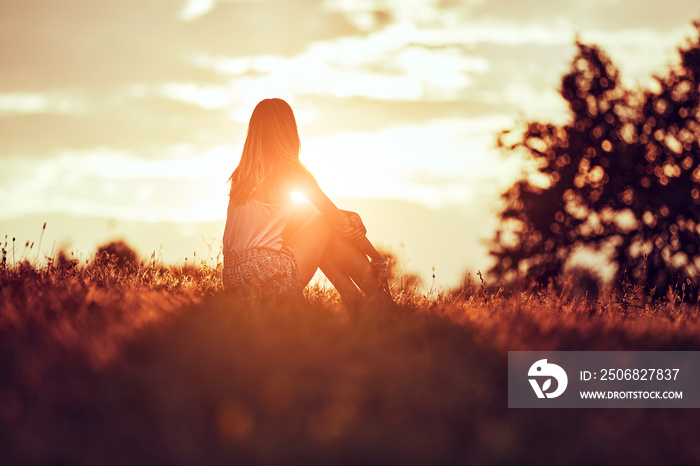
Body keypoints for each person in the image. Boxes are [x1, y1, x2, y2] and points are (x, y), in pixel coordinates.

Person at [222, 98, 390, 303]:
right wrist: (378, 258)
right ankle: (379, 296)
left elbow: (302, 215)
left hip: (233, 280)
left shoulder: (241, 177)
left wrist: (347, 214)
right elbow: (332, 219)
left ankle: (355, 300)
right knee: (325, 222)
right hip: (267, 275)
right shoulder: (290, 172)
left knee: (319, 231)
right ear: (288, 131)